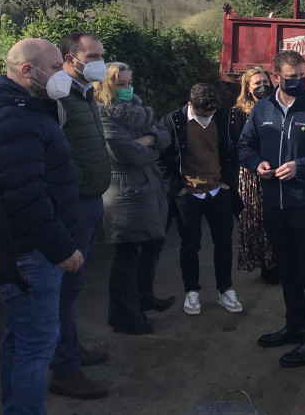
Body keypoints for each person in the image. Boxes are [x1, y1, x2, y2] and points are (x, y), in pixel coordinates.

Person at [0, 38, 84, 415]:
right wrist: (61, 248)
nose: (64, 73)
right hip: (31, 253)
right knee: (36, 345)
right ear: (28, 70)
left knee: (19, 338)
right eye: (56, 67)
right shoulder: (14, 119)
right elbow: (25, 196)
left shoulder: (23, 107)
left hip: (23, 250)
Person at [237, 50, 305, 368]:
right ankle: (294, 326)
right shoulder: (262, 110)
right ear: (277, 76)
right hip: (274, 204)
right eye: (291, 77)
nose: (298, 81)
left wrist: (301, 166)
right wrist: (258, 164)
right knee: (286, 269)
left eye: (302, 75)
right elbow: (245, 146)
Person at [49, 32, 112, 400]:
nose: (100, 62)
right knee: (63, 289)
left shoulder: (84, 93)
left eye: (102, 55)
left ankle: (69, 350)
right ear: (70, 58)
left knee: (72, 290)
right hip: (72, 204)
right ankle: (65, 369)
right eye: (93, 55)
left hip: (89, 200)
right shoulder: (57, 96)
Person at [96, 62, 175, 334]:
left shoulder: (140, 111)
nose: (128, 88)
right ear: (107, 86)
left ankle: (145, 297)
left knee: (152, 247)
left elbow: (165, 137)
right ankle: (124, 317)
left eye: (129, 83)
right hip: (125, 196)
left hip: (150, 189)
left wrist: (149, 141)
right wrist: (151, 143)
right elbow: (127, 154)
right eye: (121, 84)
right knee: (126, 258)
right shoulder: (104, 117)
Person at [160, 83, 243, 316]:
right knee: (189, 244)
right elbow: (162, 158)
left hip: (218, 191)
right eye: (202, 115)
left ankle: (225, 290)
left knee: (224, 242)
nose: (208, 118)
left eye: (211, 114)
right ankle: (192, 292)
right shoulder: (172, 121)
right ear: (190, 105)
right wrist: (177, 188)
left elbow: (236, 149)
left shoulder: (226, 118)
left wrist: (227, 182)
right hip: (188, 195)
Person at [231, 67, 279, 284]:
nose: (262, 87)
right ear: (248, 88)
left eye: (265, 82)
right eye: (257, 84)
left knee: (275, 219)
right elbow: (239, 146)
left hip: (275, 170)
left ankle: (275, 265)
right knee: (253, 220)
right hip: (251, 174)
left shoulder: (278, 107)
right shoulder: (239, 113)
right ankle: (264, 266)